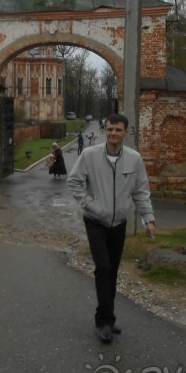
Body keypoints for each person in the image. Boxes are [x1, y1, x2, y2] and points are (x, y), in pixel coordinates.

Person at [67, 113, 156, 344]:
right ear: (104, 131)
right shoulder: (90, 155)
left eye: (118, 130)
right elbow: (74, 182)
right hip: (95, 220)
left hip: (119, 223)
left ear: (125, 132)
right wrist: (90, 204)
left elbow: (141, 191)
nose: (113, 133)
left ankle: (108, 316)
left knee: (113, 270)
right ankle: (104, 321)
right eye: (110, 129)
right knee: (103, 267)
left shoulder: (134, 159)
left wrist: (148, 218)